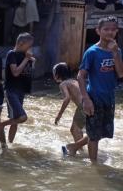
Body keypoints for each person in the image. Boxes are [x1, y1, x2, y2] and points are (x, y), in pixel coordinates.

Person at [78, 16, 123, 163]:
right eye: (106, 29)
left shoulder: (117, 50)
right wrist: (86, 99)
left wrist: (115, 53)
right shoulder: (92, 52)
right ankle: (94, 167)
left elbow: (121, 73)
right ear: (98, 31)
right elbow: (80, 76)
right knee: (94, 136)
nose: (110, 32)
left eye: (113, 29)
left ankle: (73, 147)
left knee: (102, 132)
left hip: (109, 97)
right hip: (94, 97)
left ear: (117, 31)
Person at [0, 32, 35, 143]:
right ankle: (0, 125)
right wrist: (26, 59)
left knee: (15, 120)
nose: (30, 48)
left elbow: (27, 72)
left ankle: (9, 143)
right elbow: (15, 73)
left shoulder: (26, 56)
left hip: (21, 91)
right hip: (11, 90)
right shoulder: (12, 54)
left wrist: (31, 61)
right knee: (22, 117)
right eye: (28, 45)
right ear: (20, 43)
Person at [52, 62, 88, 156]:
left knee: (74, 129)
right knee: (79, 129)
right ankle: (81, 149)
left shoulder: (63, 84)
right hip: (90, 104)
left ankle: (79, 150)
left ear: (57, 74)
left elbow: (67, 98)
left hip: (83, 106)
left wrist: (59, 115)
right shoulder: (74, 81)